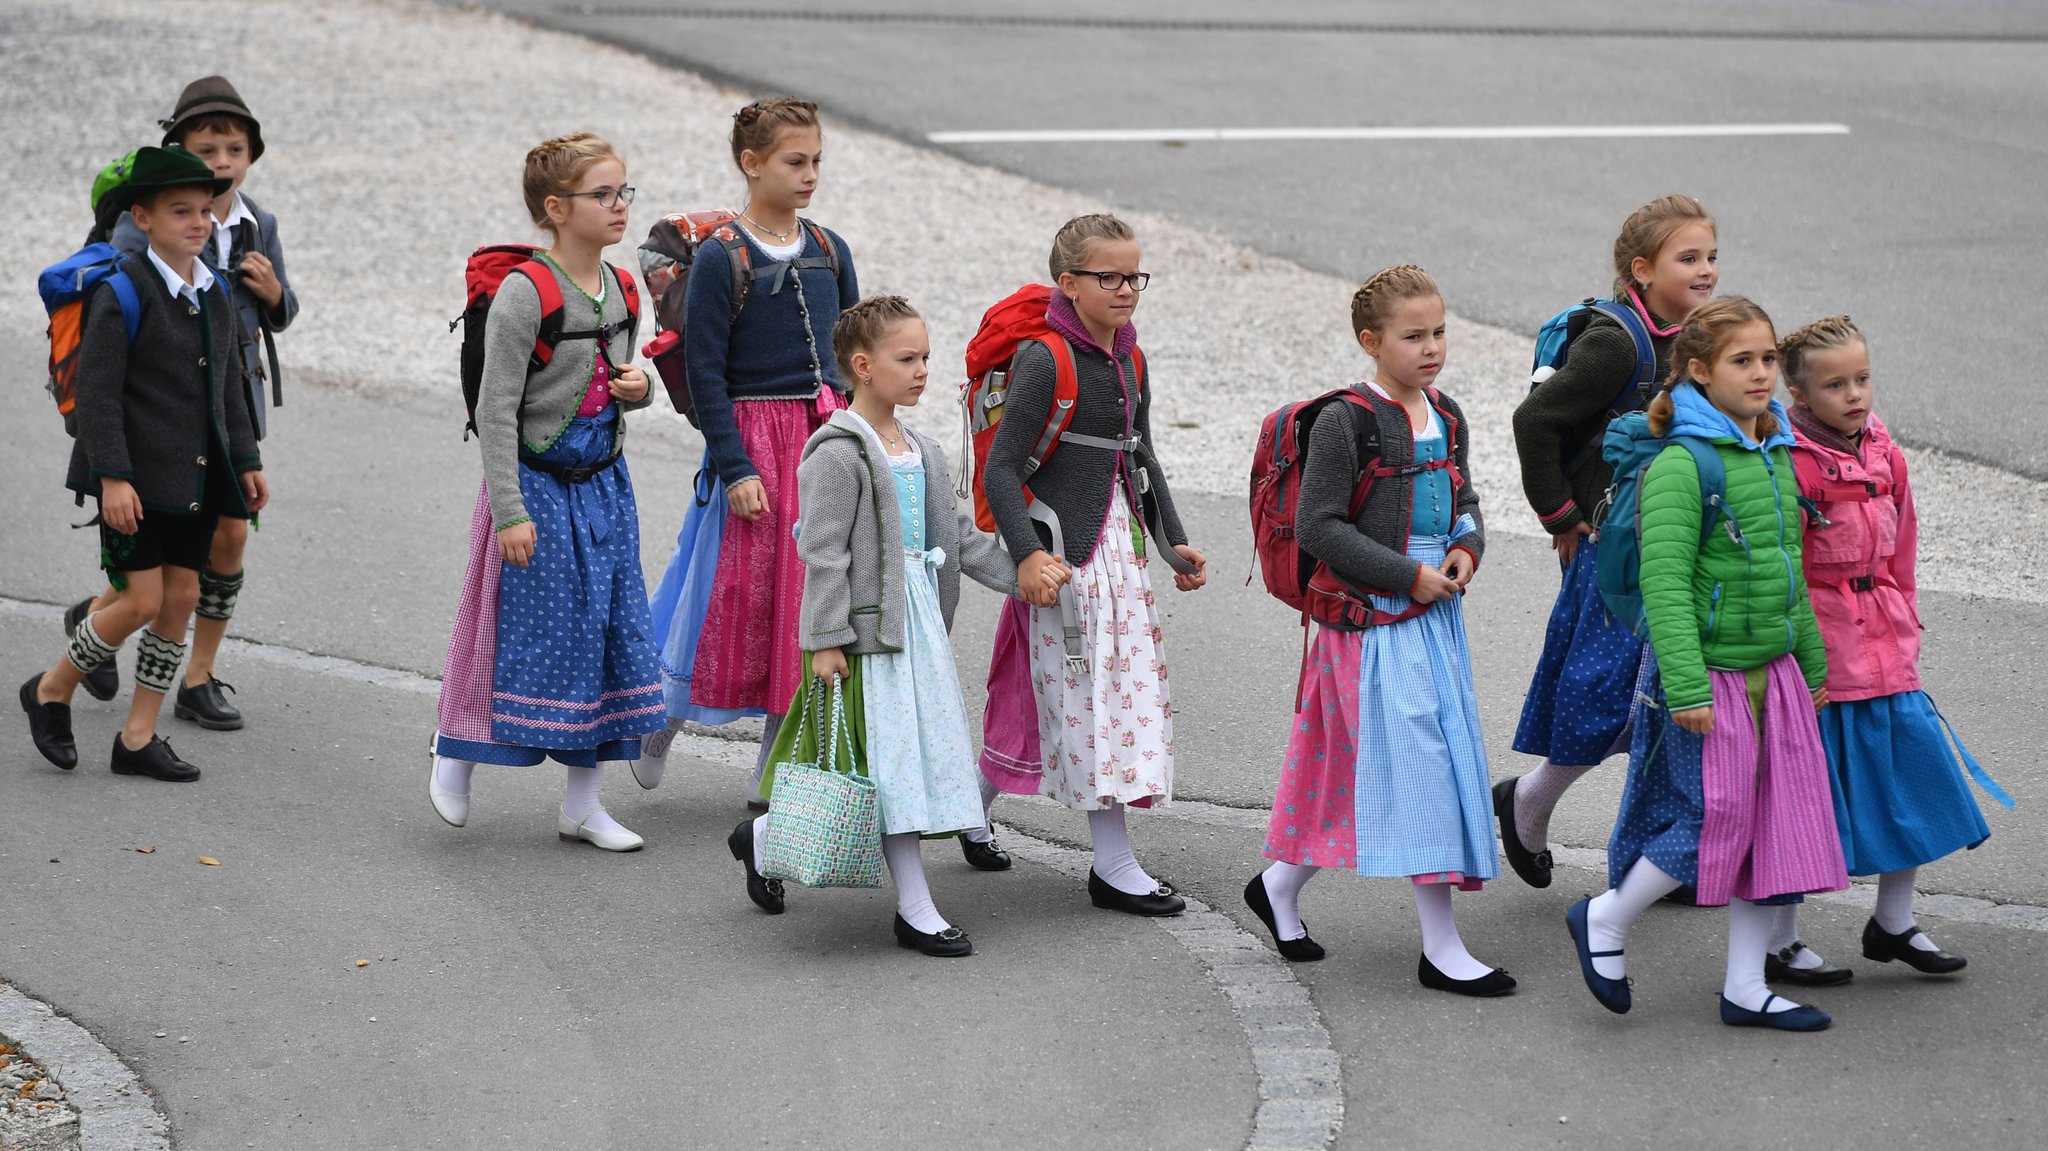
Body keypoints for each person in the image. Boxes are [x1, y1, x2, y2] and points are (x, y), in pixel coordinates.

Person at [1566, 297, 1848, 1032]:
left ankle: (1746, 986)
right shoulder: (1681, 464)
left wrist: (1811, 664)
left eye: (1766, 359)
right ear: (1699, 370)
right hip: (1709, 677)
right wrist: (1687, 684)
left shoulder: (1774, 446)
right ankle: (1604, 917)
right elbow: (1663, 586)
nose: (1761, 374)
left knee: (1774, 825)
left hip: (1775, 672)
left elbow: (1793, 569)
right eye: (1741, 361)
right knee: (1714, 819)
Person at [728, 296, 1036, 956]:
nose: (923, 369)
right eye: (907, 358)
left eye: (926, 356)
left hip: (918, 628)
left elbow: (955, 535)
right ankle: (915, 906)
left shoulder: (921, 448)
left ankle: (762, 838)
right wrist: (826, 640)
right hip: (871, 634)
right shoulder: (837, 452)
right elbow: (824, 551)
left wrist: (1026, 574)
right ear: (863, 366)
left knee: (905, 758)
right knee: (891, 762)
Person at [1245, 265, 1511, 995]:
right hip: (1371, 624)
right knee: (1423, 763)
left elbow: (1467, 500)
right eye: (1413, 335)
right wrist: (1406, 575)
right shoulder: (1346, 421)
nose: (1432, 348)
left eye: (1439, 332)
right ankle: (1442, 945)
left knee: (1349, 771)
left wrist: (1465, 546)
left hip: (1432, 615)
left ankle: (1277, 884)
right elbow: (1318, 526)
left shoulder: (1447, 413)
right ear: (1371, 340)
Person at [427, 132, 664, 851]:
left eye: (625, 191)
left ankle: (583, 804)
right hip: (534, 487)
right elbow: (496, 409)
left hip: (604, 489)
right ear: (556, 209)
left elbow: (623, 384)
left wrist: (639, 388)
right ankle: (453, 753)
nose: (620, 206)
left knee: (606, 633)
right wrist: (509, 512)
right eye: (604, 194)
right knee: (512, 636)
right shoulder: (523, 295)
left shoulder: (622, 288)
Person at [978, 214, 1208, 917]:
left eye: (1133, 275)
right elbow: (1001, 469)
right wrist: (1029, 556)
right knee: (1094, 703)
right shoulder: (1047, 359)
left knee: (1046, 700)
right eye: (1107, 276)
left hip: (1119, 553)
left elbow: (1139, 452)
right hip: (1065, 561)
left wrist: (1172, 542)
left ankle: (965, 809)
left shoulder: (1131, 357)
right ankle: (1113, 865)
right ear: (1068, 282)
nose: (1125, 289)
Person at [20, 145, 268, 782]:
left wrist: (244, 461)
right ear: (143, 218)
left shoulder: (211, 290)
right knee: (137, 601)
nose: (198, 222)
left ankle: (137, 738)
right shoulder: (122, 291)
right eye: (180, 211)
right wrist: (112, 477)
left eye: (205, 211)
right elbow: (99, 396)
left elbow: (230, 389)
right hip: (134, 480)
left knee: (181, 598)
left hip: (198, 478)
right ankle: (50, 687)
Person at [1780, 314, 2013, 975]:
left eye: (1862, 378)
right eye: (1834, 385)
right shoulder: (1792, 465)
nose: (1854, 394)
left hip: (1886, 644)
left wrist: (1905, 618)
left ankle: (1894, 921)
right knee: (1809, 802)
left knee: (1913, 776)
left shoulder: (1884, 453)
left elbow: (1902, 548)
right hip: (1827, 657)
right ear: (1799, 396)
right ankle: (1778, 938)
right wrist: (1799, 653)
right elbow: (1786, 569)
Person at [67, 76, 300, 729]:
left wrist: (275, 292)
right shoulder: (144, 224)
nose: (221, 161)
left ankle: (197, 677)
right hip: (159, 412)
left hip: (232, 406)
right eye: (206, 149)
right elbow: (118, 315)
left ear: (251, 153)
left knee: (227, 536)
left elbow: (280, 318)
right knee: (162, 546)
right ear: (177, 151)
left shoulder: (261, 224)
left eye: (234, 148)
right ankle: (96, 624)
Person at [1501, 194, 1718, 889]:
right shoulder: (1616, 342)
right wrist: (1561, 514)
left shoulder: (1699, 333)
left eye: (1711, 256)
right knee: (1603, 697)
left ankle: (1660, 851)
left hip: (1680, 546)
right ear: (1641, 270)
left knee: (1678, 692)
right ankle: (1529, 801)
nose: (1707, 269)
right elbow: (1535, 421)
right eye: (1690, 258)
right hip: (1615, 550)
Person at [643, 98, 858, 802]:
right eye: (796, 162)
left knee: (806, 603)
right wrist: (734, 466)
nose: (811, 175)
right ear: (752, 163)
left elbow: (856, 358)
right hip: (753, 445)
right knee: (725, 597)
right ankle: (662, 719)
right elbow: (706, 370)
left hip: (822, 443)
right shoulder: (721, 256)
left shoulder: (830, 250)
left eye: (817, 160)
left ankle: (768, 782)